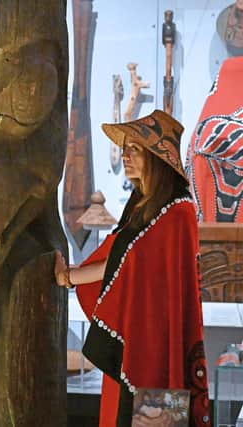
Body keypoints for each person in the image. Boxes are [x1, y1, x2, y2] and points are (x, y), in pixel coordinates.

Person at [54, 110, 210, 427]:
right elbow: (120, 257)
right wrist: (71, 275)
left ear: (155, 156)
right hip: (135, 337)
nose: (125, 155)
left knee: (152, 415)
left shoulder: (179, 210)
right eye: (125, 148)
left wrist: (70, 276)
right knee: (121, 414)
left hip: (158, 341)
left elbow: (130, 261)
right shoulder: (141, 207)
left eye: (134, 149)